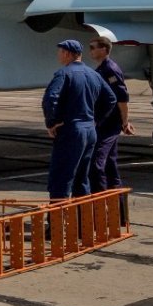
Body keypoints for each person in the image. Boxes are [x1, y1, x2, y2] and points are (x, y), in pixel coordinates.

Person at [41, 38, 104, 200]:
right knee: (82, 179)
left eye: (60, 52)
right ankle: (82, 223)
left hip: (72, 131)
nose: (58, 55)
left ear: (67, 54)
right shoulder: (93, 74)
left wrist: (52, 123)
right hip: (90, 131)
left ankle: (56, 224)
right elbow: (110, 99)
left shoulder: (64, 73)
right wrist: (96, 119)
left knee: (61, 178)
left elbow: (50, 98)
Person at [88, 32, 134, 190]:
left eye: (93, 47)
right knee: (110, 165)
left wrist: (125, 122)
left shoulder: (110, 69)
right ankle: (118, 207)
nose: (90, 50)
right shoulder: (101, 68)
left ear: (104, 49)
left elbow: (121, 98)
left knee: (96, 164)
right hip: (104, 122)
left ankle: (99, 203)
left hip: (108, 124)